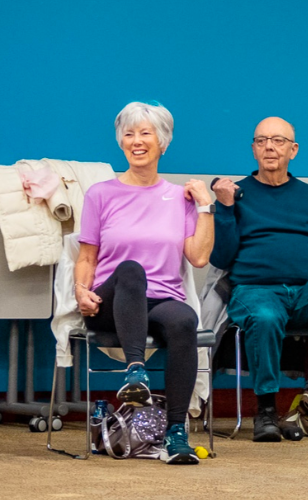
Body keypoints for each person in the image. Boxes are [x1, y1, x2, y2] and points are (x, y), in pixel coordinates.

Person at [76, 101, 214, 464]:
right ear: (121, 142)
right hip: (112, 302)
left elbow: (198, 257)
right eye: (129, 134)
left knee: (184, 319)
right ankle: (135, 372)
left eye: (145, 133)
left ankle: (176, 433)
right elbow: (87, 257)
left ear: (163, 143)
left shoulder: (177, 198)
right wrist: (80, 292)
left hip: (159, 301)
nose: (136, 141)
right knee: (131, 270)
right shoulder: (100, 194)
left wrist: (205, 207)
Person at [209, 117, 308, 443]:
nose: (269, 146)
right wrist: (223, 208)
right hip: (255, 291)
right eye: (261, 140)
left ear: (293, 150)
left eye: (278, 141)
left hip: (306, 293)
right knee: (264, 317)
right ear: (253, 149)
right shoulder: (235, 194)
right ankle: (265, 411)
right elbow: (220, 258)